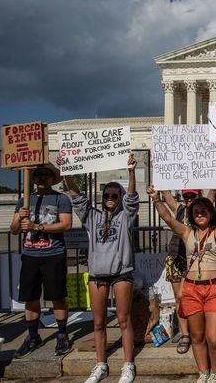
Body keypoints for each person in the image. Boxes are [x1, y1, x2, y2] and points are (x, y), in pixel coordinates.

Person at [64, 154, 139, 383]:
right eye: (106, 194)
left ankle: (128, 364)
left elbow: (133, 198)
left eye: (115, 195)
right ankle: (101, 364)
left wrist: (132, 172)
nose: (110, 198)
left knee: (124, 320)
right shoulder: (92, 217)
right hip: (97, 275)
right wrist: (67, 172)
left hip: (121, 273)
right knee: (98, 322)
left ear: (120, 197)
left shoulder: (126, 216)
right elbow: (77, 197)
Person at [148, 184, 216, 383]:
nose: (200, 214)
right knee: (197, 336)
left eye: (203, 211)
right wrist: (156, 199)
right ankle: (203, 372)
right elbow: (167, 218)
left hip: (214, 289)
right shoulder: (186, 233)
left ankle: (215, 372)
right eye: (196, 212)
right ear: (192, 215)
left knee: (214, 338)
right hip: (191, 289)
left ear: (210, 213)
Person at [10, 163, 72, 359]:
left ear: (52, 178)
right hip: (30, 255)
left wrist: (38, 227)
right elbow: (13, 230)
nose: (43, 177)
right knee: (31, 297)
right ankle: (32, 335)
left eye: (47, 174)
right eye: (39, 174)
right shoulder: (24, 201)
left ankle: (62, 334)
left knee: (57, 296)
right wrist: (19, 219)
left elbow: (66, 224)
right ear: (34, 178)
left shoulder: (60, 199)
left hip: (53, 254)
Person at [162, 189, 216, 354]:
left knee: (197, 299)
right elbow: (166, 196)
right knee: (180, 299)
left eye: (193, 196)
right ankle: (185, 334)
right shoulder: (179, 209)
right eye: (187, 196)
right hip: (176, 256)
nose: (190, 199)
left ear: (199, 196)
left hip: (195, 260)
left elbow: (212, 193)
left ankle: (200, 333)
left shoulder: (202, 211)